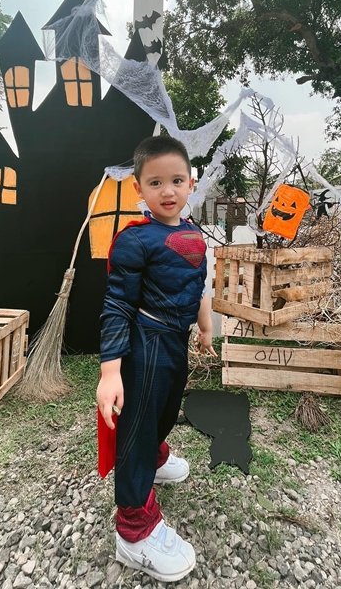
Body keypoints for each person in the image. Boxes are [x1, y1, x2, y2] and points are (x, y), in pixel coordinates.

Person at [96, 135, 217, 582]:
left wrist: (204, 325)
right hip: (145, 341)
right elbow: (116, 306)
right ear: (139, 189)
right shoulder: (135, 240)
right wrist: (111, 371)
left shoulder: (193, 233)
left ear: (192, 184)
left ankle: (156, 455)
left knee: (166, 408)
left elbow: (198, 281)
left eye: (177, 181)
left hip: (176, 339)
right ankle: (134, 531)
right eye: (156, 182)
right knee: (138, 423)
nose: (168, 190)